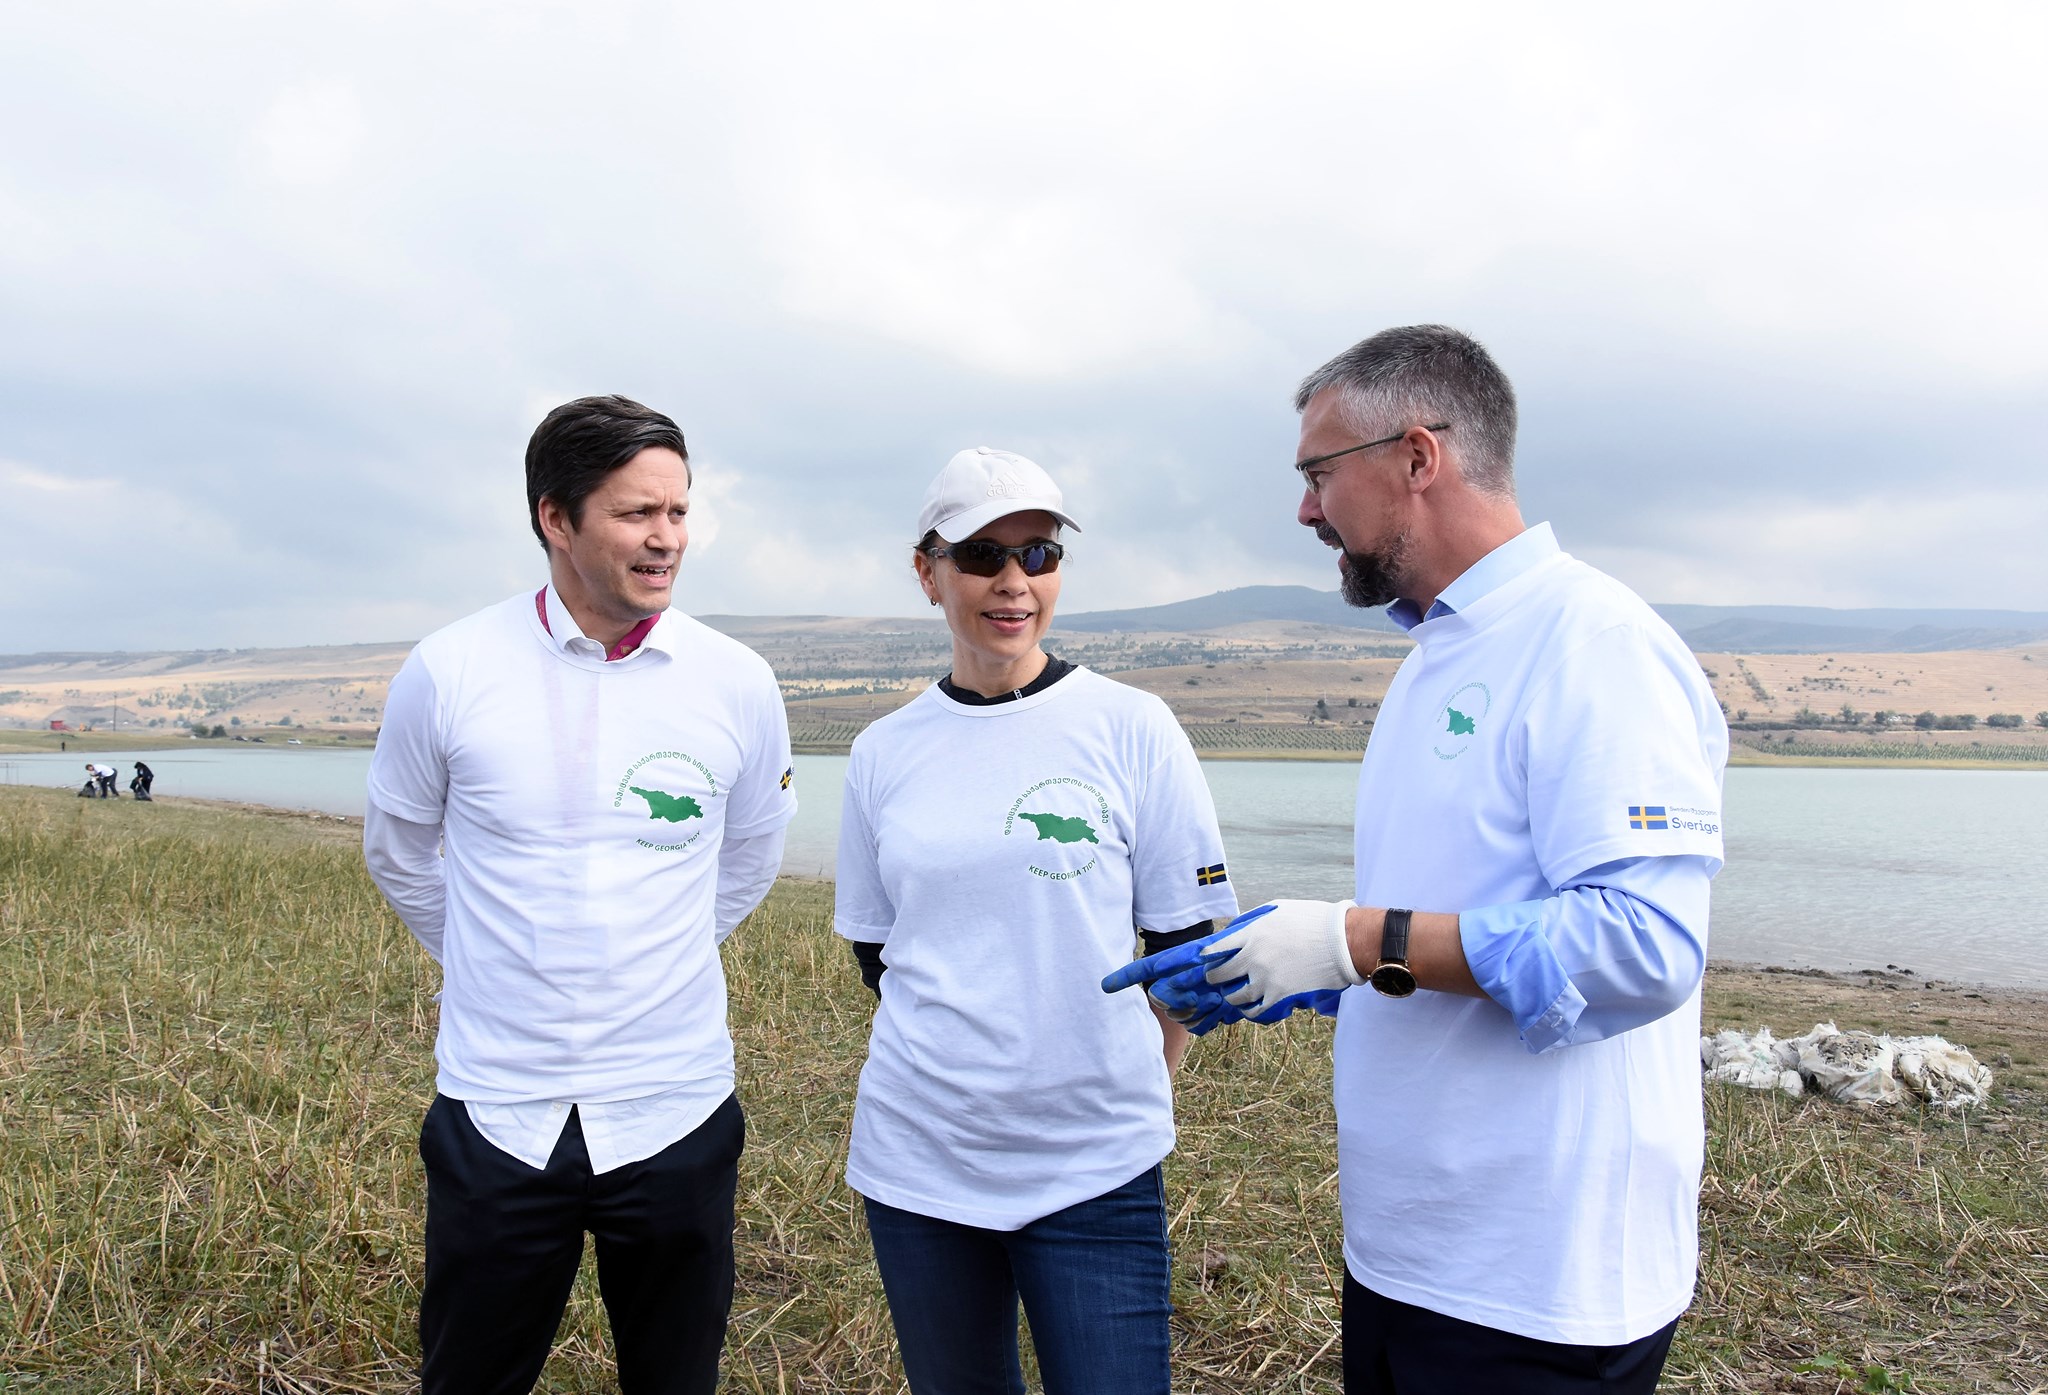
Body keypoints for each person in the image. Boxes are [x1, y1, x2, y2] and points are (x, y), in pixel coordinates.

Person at [1107, 326, 1727, 1394]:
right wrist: (1322, 967)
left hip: (1537, 1282)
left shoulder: (1593, 645)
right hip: (1411, 1256)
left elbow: (1644, 946)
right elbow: (1461, 915)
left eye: (1317, 474)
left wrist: (1354, 941)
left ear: (1416, 457)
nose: (1305, 511)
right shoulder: (1438, 651)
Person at [363, 395, 797, 1395]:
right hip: (499, 1111)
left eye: (677, 511)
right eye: (636, 513)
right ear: (555, 518)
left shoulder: (736, 680)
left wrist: (655, 953)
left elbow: (750, 851)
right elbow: (401, 851)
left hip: (675, 1107)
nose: (666, 538)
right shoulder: (450, 670)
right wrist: (495, 958)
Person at [834, 447, 1240, 1395]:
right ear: (927, 571)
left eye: (1040, 554)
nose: (1014, 581)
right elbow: (878, 953)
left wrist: (1122, 1079)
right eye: (983, 555)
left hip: (1097, 1165)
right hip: (920, 1166)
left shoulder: (1133, 727)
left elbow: (1184, 947)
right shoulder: (882, 752)